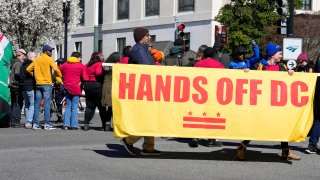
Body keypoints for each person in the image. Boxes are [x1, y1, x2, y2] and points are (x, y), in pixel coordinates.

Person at [235, 43, 301, 161]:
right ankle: (241, 148)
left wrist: (291, 74)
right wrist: (246, 71)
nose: (281, 56)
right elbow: (251, 80)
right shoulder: (260, 66)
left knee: (283, 126)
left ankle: (285, 151)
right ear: (272, 55)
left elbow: (289, 81)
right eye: (279, 53)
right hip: (262, 102)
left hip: (278, 102)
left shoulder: (282, 66)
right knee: (255, 126)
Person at [120, 27, 162, 156]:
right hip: (143, 89)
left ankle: (149, 147)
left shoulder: (141, 49)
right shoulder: (139, 49)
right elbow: (148, 69)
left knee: (150, 117)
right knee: (149, 119)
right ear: (141, 37)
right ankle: (129, 139)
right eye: (148, 35)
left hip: (145, 88)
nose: (150, 37)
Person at [27, 45, 62, 130]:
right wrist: (59, 76)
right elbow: (56, 69)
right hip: (47, 84)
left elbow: (28, 69)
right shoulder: (49, 59)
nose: (51, 52)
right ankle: (47, 124)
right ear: (46, 51)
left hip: (38, 83)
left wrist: (35, 76)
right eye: (50, 50)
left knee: (37, 104)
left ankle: (35, 123)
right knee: (46, 104)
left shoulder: (37, 59)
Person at [82, 52, 108, 131]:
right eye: (102, 56)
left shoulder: (86, 65)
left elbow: (82, 75)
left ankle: (86, 124)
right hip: (96, 84)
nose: (103, 57)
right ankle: (104, 125)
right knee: (101, 106)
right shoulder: (98, 64)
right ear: (98, 57)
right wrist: (104, 74)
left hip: (87, 85)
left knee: (89, 106)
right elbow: (98, 73)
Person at [59, 52, 84, 130]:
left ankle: (66, 124)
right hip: (76, 87)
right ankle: (74, 125)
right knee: (74, 107)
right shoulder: (80, 66)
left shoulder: (65, 64)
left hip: (66, 87)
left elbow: (57, 71)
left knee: (68, 106)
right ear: (78, 57)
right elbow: (84, 76)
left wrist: (61, 80)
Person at [101, 52, 121, 131]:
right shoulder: (116, 66)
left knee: (109, 107)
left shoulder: (105, 65)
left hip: (106, 86)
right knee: (114, 108)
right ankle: (115, 125)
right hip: (114, 86)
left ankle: (107, 124)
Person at [305, 53, 320, 154]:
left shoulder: (319, 56)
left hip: (317, 89)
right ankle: (312, 145)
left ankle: (312, 146)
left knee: (318, 120)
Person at [9, 49, 26, 128]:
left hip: (12, 85)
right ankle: (16, 121)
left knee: (13, 103)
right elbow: (17, 73)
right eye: (24, 54)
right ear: (21, 54)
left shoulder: (12, 62)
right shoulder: (18, 63)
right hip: (17, 86)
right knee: (18, 104)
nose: (24, 57)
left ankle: (12, 120)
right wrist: (24, 77)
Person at [20, 51, 37, 129]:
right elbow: (34, 76)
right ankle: (29, 122)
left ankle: (27, 121)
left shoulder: (22, 65)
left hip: (23, 87)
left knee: (27, 104)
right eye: (34, 57)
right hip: (29, 86)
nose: (36, 58)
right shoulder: (31, 65)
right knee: (31, 105)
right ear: (30, 57)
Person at [54, 58, 67, 123]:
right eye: (58, 63)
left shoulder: (66, 69)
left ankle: (67, 118)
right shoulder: (56, 70)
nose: (59, 64)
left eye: (60, 63)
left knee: (67, 103)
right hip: (58, 88)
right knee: (58, 103)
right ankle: (59, 117)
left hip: (65, 87)